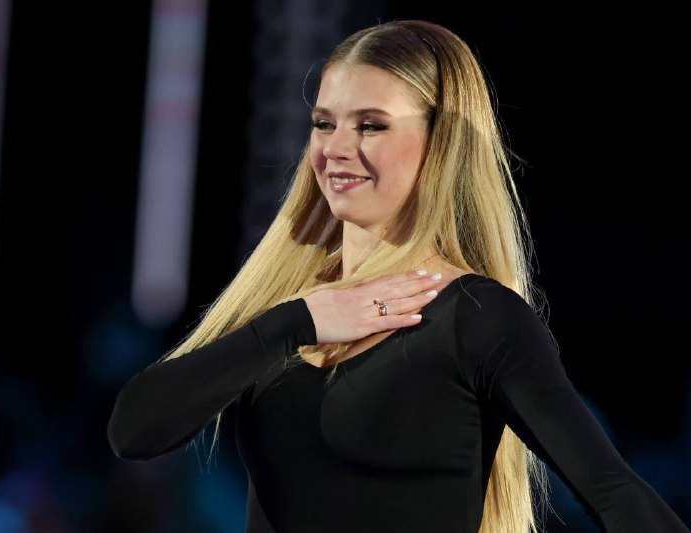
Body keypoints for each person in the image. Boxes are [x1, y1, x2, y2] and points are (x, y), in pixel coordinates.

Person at [107, 19, 689, 533]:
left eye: (371, 125)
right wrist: (297, 320)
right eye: (324, 123)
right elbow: (134, 432)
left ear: (438, 145)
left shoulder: (477, 318)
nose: (335, 148)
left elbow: (613, 491)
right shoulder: (289, 308)